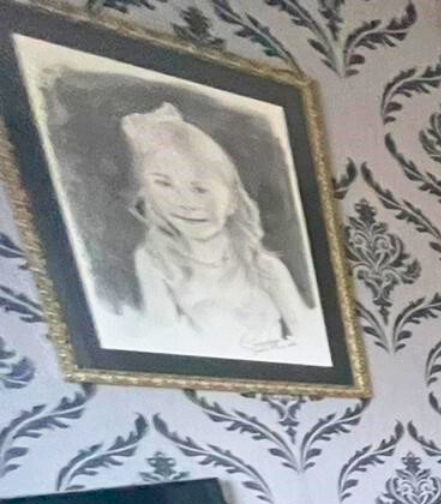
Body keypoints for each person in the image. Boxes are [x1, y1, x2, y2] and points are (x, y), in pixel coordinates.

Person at [120, 103, 318, 357]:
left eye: (200, 189)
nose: (185, 203)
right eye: (164, 184)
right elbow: (161, 338)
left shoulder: (266, 269)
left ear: (233, 200)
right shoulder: (155, 262)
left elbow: (311, 340)